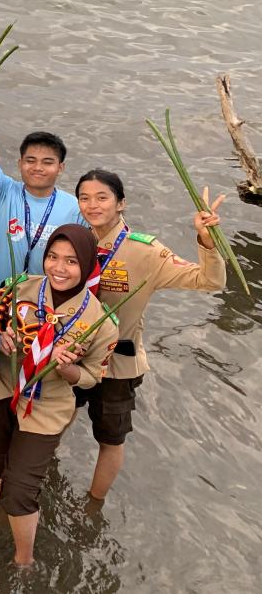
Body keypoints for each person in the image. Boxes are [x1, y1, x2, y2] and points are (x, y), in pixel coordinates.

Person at [74, 168, 226, 500]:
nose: (92, 205)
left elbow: (209, 281)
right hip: (68, 359)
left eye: (102, 197)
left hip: (117, 365)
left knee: (110, 438)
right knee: (51, 423)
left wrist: (206, 241)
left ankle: (93, 505)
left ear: (121, 203)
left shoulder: (145, 251)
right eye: (84, 198)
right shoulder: (72, 242)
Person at [0, 224, 117, 565]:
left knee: (21, 492)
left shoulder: (101, 323)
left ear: (86, 265)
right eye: (53, 257)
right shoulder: (19, 288)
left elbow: (92, 377)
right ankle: (1, 517)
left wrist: (68, 369)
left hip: (44, 406)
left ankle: (23, 559)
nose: (58, 267)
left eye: (71, 261)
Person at [0, 115, 83, 302]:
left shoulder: (76, 207)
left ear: (61, 168)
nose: (38, 168)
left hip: (40, 306)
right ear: (20, 164)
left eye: (47, 162)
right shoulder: (5, 192)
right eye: (30, 160)